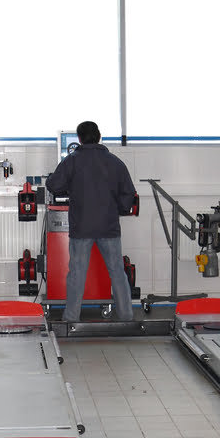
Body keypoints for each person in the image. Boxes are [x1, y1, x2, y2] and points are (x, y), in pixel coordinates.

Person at [46, 121, 136, 321]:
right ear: (99, 136)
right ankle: (127, 317)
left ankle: (71, 318)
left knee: (77, 274)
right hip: (109, 226)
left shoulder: (72, 161)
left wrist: (68, 188)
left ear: (79, 139)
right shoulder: (115, 162)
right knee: (117, 273)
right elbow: (128, 193)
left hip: (82, 227)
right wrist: (118, 209)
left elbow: (53, 185)